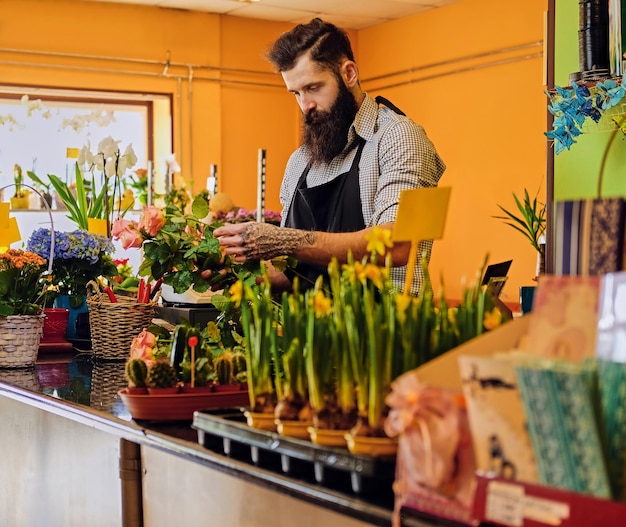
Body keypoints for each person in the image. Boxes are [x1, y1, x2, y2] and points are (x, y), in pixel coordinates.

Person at [212, 18, 445, 296]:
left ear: (348, 73)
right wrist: (233, 272)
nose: (305, 105)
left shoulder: (400, 138)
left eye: (313, 88)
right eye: (296, 93)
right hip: (313, 331)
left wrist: (287, 241)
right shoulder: (300, 162)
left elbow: (398, 246)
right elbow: (296, 273)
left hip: (387, 330)